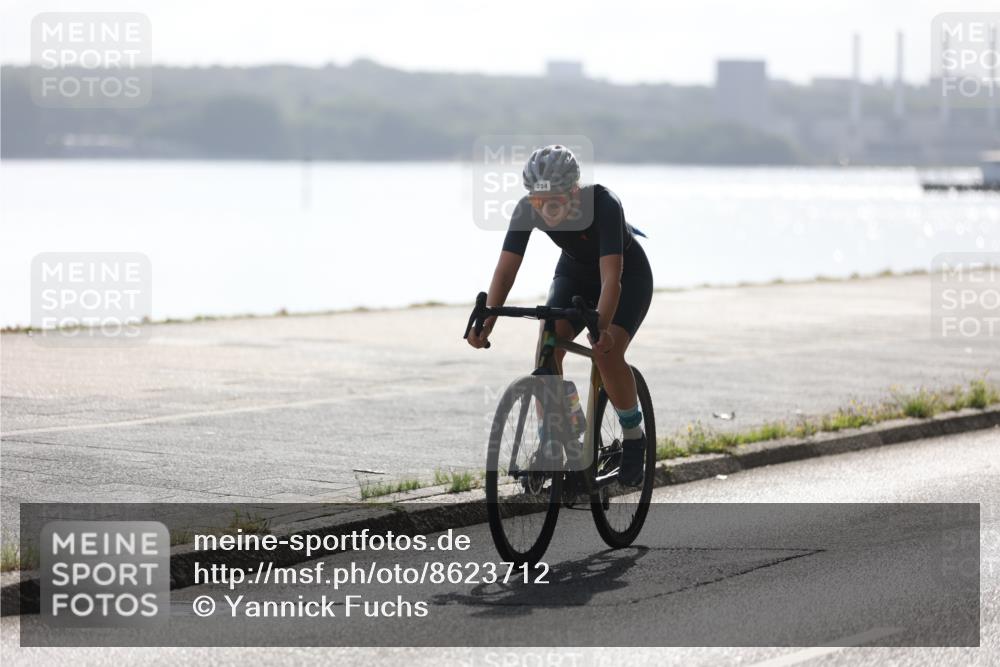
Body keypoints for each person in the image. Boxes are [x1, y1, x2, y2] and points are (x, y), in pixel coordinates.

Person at [466, 145, 654, 486]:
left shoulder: (604, 204)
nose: (544, 209)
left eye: (553, 199)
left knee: (607, 353)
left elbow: (612, 277)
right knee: (548, 346)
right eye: (537, 201)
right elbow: (506, 271)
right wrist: (487, 320)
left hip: (627, 276)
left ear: (574, 192)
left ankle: (634, 436)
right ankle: (554, 440)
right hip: (574, 273)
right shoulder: (528, 209)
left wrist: (604, 328)